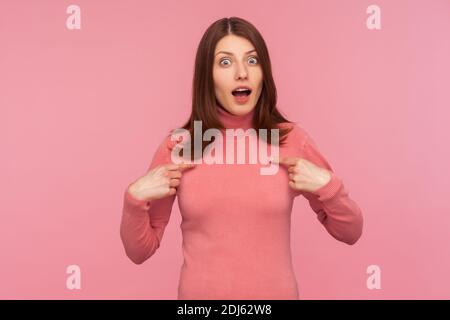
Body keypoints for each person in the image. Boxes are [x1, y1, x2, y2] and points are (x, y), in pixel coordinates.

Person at [120, 16, 363, 300]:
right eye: (225, 62)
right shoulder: (181, 145)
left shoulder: (290, 139)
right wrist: (134, 199)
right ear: (206, 76)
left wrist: (329, 187)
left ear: (263, 72)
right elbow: (140, 252)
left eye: (252, 60)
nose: (241, 73)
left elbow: (351, 233)